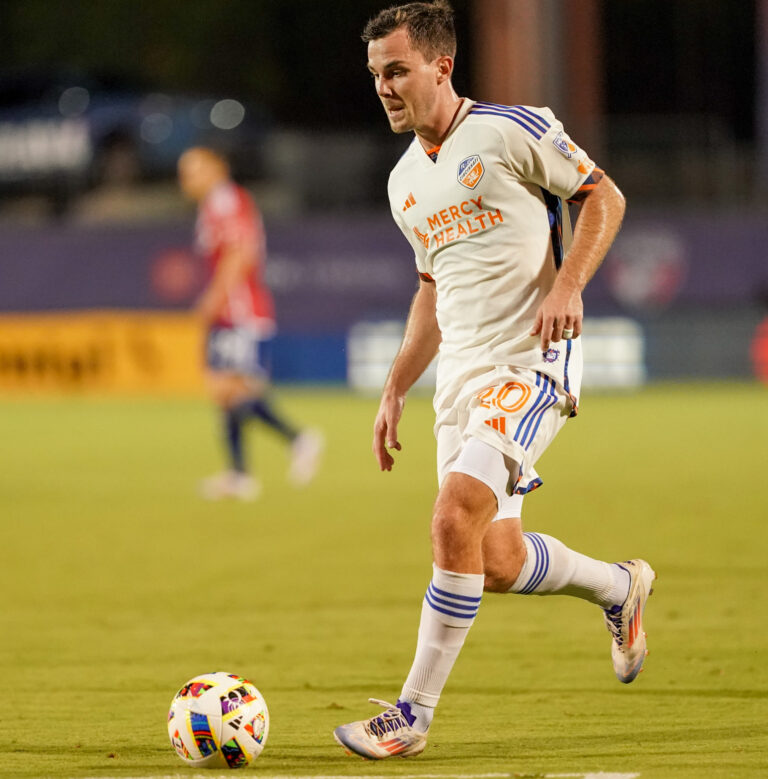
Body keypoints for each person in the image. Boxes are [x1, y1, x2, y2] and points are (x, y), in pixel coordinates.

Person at [333, 1, 655, 760]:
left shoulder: (512, 127)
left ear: (441, 66)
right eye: (377, 74)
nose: (384, 86)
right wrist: (393, 387)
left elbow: (602, 195)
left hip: (531, 361)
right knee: (495, 559)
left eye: (398, 70)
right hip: (461, 377)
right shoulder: (404, 181)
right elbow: (431, 291)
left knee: (453, 517)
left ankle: (410, 714)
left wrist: (568, 285)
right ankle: (619, 586)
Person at [177, 147, 322, 500]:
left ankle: (298, 440)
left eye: (194, 170)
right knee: (225, 392)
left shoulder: (225, 201)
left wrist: (213, 298)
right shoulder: (214, 204)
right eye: (184, 173)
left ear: (217, 168)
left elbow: (240, 252)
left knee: (232, 390)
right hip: (231, 310)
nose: (187, 180)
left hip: (240, 310)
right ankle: (240, 475)